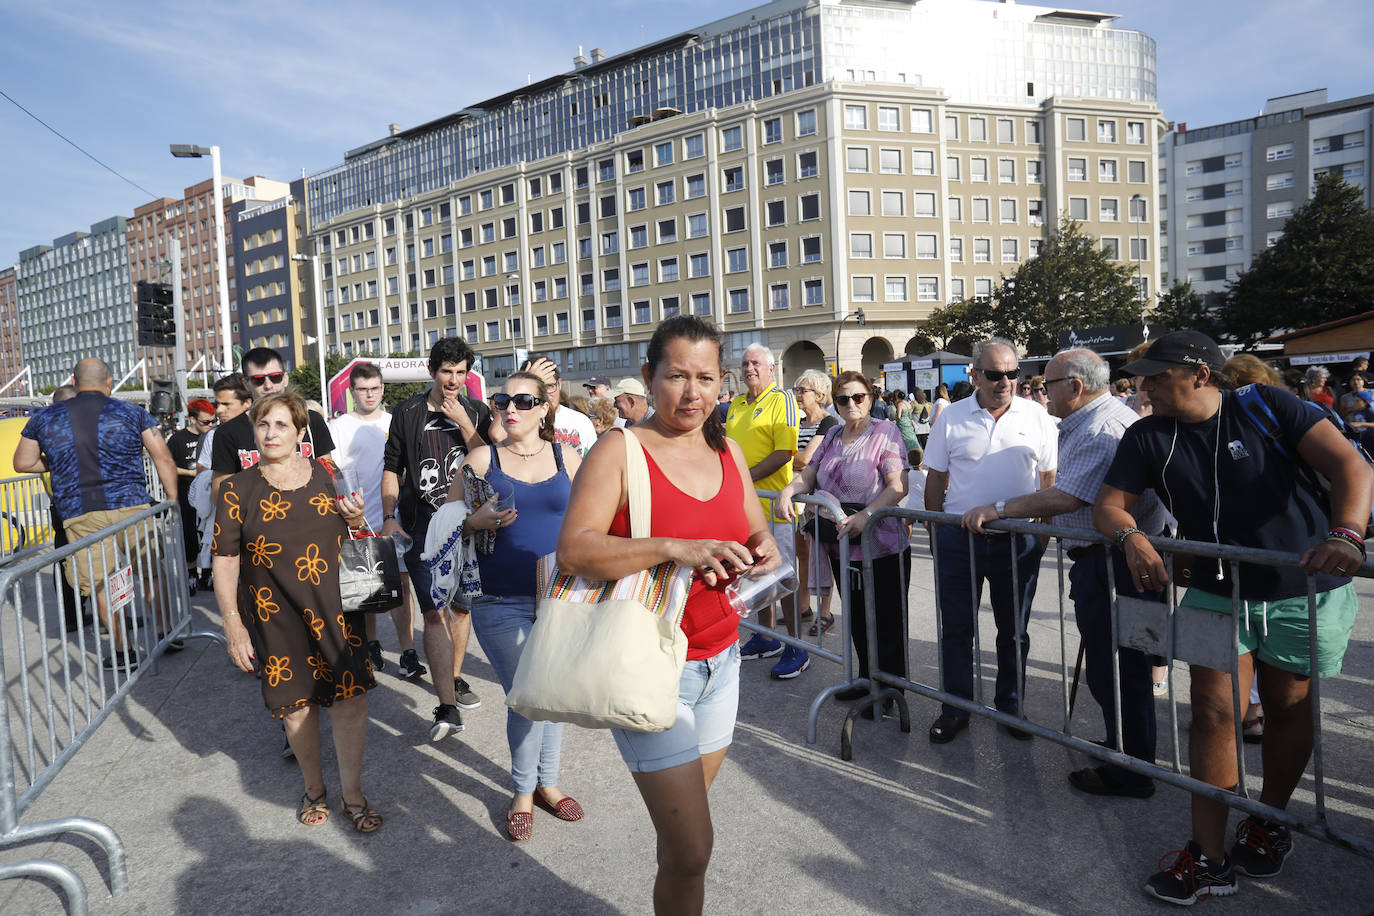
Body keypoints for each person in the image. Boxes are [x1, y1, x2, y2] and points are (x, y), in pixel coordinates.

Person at [1094, 330, 1372, 905]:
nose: (1141, 385)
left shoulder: (1267, 404)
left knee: (1289, 706)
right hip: (1215, 588)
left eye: (1155, 374)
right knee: (1212, 711)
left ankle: (1269, 820)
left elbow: (1352, 465)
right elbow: (1108, 505)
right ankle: (1208, 855)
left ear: (1199, 373)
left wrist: (1347, 534)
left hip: (1303, 587)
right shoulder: (1147, 434)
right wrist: (1132, 538)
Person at [557, 316, 779, 916]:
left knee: (681, 846)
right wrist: (673, 547)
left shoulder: (729, 450)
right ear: (650, 378)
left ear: (722, 381)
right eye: (676, 375)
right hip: (652, 665)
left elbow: (752, 524)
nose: (691, 393)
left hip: (722, 663)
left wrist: (767, 545)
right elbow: (575, 549)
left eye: (705, 377)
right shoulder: (619, 449)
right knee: (693, 850)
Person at [961, 348, 1163, 797]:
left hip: (1114, 564)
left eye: (1047, 383)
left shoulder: (1103, 428)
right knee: (1114, 668)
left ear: (1074, 386)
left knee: (1119, 671)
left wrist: (997, 509)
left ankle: (1131, 768)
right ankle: (1123, 748)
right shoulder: (1092, 421)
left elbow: (1067, 496)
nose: (1039, 390)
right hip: (1105, 561)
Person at [212, 391, 381, 833]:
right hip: (274, 616)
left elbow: (359, 535)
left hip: (336, 609)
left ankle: (352, 794)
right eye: (263, 425)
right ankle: (314, 789)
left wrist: (357, 519)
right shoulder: (236, 489)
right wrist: (232, 624)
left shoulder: (329, 476)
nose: (271, 434)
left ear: (301, 432)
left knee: (350, 702)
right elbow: (226, 559)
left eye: (282, 425)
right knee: (296, 707)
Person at [453, 371, 585, 842]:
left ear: (545, 408)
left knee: (553, 693)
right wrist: (475, 520)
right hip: (499, 598)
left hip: (561, 596)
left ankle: (548, 783)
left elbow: (590, 519)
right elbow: (447, 526)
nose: (511, 407)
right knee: (529, 694)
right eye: (502, 399)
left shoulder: (567, 455)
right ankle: (523, 791)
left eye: (524, 400)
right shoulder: (480, 458)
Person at [923, 338, 1058, 743]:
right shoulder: (951, 417)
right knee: (957, 630)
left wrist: (1042, 536)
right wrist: (936, 529)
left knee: (1013, 630)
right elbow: (936, 478)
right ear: (976, 375)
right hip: (959, 541)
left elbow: (1048, 480)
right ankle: (955, 708)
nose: (1005, 381)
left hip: (1017, 542)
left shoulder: (1038, 417)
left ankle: (1011, 707)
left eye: (1013, 373)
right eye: (996, 374)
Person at [14, 358, 179, 667]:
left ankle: (122, 650)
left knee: (102, 581)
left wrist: (60, 464)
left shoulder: (45, 418)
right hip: (132, 505)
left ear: (74, 383)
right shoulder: (132, 412)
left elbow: (22, 462)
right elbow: (163, 458)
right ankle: (165, 631)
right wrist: (171, 499)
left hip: (80, 510)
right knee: (151, 571)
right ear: (109, 383)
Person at [777, 371, 909, 714]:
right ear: (834, 402)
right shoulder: (834, 434)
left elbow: (898, 486)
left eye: (858, 397)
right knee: (858, 618)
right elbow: (810, 473)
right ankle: (866, 680)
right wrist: (789, 491)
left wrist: (867, 515)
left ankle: (890, 692)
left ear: (871, 398)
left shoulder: (886, 432)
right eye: (843, 399)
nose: (851, 404)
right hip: (841, 545)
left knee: (886, 621)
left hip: (881, 545)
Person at [381, 337, 489, 738]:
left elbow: (488, 461)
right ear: (432, 371)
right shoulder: (407, 412)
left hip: (468, 526)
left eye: (461, 372)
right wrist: (390, 516)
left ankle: (455, 676)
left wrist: (463, 420)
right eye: (447, 371)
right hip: (422, 525)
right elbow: (392, 468)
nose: (453, 380)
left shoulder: (477, 410)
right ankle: (446, 705)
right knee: (432, 611)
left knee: (462, 608)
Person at [328, 362, 424, 680]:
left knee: (402, 585)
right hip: (357, 517)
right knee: (366, 589)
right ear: (352, 391)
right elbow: (334, 474)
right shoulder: (339, 427)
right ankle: (371, 646)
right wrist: (345, 509)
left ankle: (408, 651)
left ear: (383, 388)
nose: (369, 394)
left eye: (375, 388)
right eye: (362, 389)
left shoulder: (396, 421)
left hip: (395, 517)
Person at [726, 343, 806, 678]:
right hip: (745, 508)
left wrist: (743, 479)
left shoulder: (783, 400)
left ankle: (797, 646)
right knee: (755, 574)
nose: (749, 369)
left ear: (771, 368)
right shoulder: (735, 404)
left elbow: (784, 452)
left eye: (756, 363)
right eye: (744, 364)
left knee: (783, 575)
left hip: (775, 507)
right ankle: (765, 636)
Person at [210, 347, 334, 503]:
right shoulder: (228, 432)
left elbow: (330, 474)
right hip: (259, 520)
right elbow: (219, 493)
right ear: (246, 384)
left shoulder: (311, 420)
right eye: (258, 380)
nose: (268, 385)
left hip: (312, 513)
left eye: (275, 377)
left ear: (285, 378)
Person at [190, 374, 251, 591]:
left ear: (247, 403)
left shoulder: (267, 429)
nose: (219, 410)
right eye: (218, 404)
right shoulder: (214, 436)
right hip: (232, 523)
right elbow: (205, 478)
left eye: (227, 404)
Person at [791, 370, 840, 635]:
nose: (798, 394)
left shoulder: (828, 422)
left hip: (817, 498)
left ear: (819, 395)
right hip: (799, 495)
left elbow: (805, 460)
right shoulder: (797, 422)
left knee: (822, 554)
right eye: (797, 389)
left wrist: (783, 454)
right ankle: (803, 606)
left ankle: (825, 611)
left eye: (803, 390)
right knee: (803, 553)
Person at [168, 399, 216, 591]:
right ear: (192, 419)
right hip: (187, 493)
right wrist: (192, 474)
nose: (210, 426)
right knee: (189, 535)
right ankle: (191, 575)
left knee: (207, 534)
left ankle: (206, 575)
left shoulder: (214, 436)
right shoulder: (177, 440)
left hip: (209, 495)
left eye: (213, 421)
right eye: (206, 422)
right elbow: (167, 467)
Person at [520, 356, 598, 456]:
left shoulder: (581, 422)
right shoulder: (516, 422)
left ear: (559, 384)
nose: (545, 394)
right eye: (538, 388)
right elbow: (497, 435)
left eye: (550, 386)